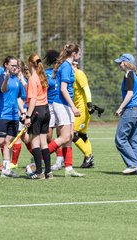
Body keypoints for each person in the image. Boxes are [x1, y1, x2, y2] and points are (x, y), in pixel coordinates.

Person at [47, 43, 85, 177]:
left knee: (69, 137)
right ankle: (39, 157)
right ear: (73, 54)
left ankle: (69, 168)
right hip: (61, 104)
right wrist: (73, 107)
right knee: (64, 137)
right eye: (79, 53)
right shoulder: (66, 66)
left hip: (65, 105)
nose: (80, 55)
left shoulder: (67, 66)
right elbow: (63, 89)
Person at [114, 53, 137, 175]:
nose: (119, 65)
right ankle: (135, 169)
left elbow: (129, 94)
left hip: (131, 110)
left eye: (120, 62)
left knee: (120, 139)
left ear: (126, 63)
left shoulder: (128, 74)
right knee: (133, 140)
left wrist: (120, 108)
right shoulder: (136, 74)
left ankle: (133, 164)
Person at [24, 53, 52, 179]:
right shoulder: (42, 76)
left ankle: (39, 172)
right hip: (46, 110)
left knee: (35, 143)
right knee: (44, 143)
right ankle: (48, 172)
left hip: (37, 111)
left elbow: (33, 99)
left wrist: (28, 116)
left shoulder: (32, 78)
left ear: (30, 63)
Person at [72, 57, 95, 168]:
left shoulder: (78, 73)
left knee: (71, 133)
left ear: (74, 64)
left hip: (82, 110)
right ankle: (89, 158)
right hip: (79, 108)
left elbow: (86, 89)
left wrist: (89, 104)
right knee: (82, 135)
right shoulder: (72, 75)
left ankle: (88, 155)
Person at [44, 50, 64, 171]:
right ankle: (44, 156)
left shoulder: (62, 72)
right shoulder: (46, 74)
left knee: (61, 134)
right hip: (49, 106)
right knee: (48, 135)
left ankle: (59, 159)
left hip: (61, 105)